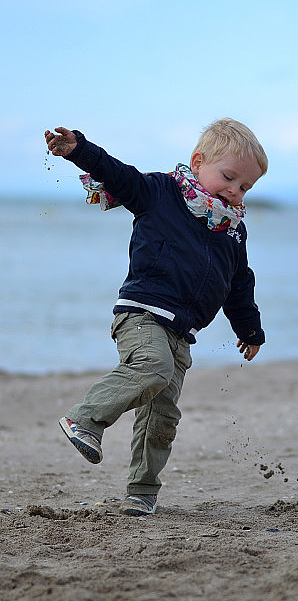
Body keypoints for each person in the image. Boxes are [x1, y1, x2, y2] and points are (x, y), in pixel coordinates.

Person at [44, 119, 267, 516]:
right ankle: (85, 419)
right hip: (142, 313)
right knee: (152, 368)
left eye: (245, 187)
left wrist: (249, 328)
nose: (235, 190)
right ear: (198, 163)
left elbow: (239, 282)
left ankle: (142, 491)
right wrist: (79, 150)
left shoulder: (232, 228)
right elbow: (119, 175)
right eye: (229, 177)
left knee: (162, 416)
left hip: (182, 332)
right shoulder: (161, 192)